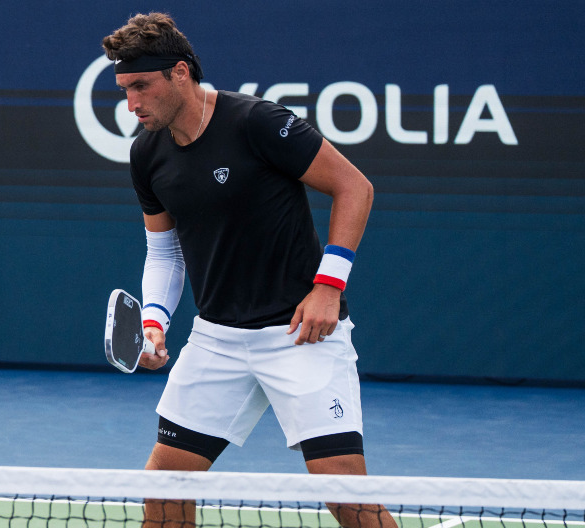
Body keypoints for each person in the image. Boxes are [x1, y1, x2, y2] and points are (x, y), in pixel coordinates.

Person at [101, 13, 398, 528]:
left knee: (346, 497)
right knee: (163, 489)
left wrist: (329, 286)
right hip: (216, 340)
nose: (132, 104)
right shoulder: (146, 153)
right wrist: (154, 322)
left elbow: (355, 187)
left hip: (300, 335)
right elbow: (164, 252)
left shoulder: (256, 122)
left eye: (141, 86)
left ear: (179, 73)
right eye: (124, 90)